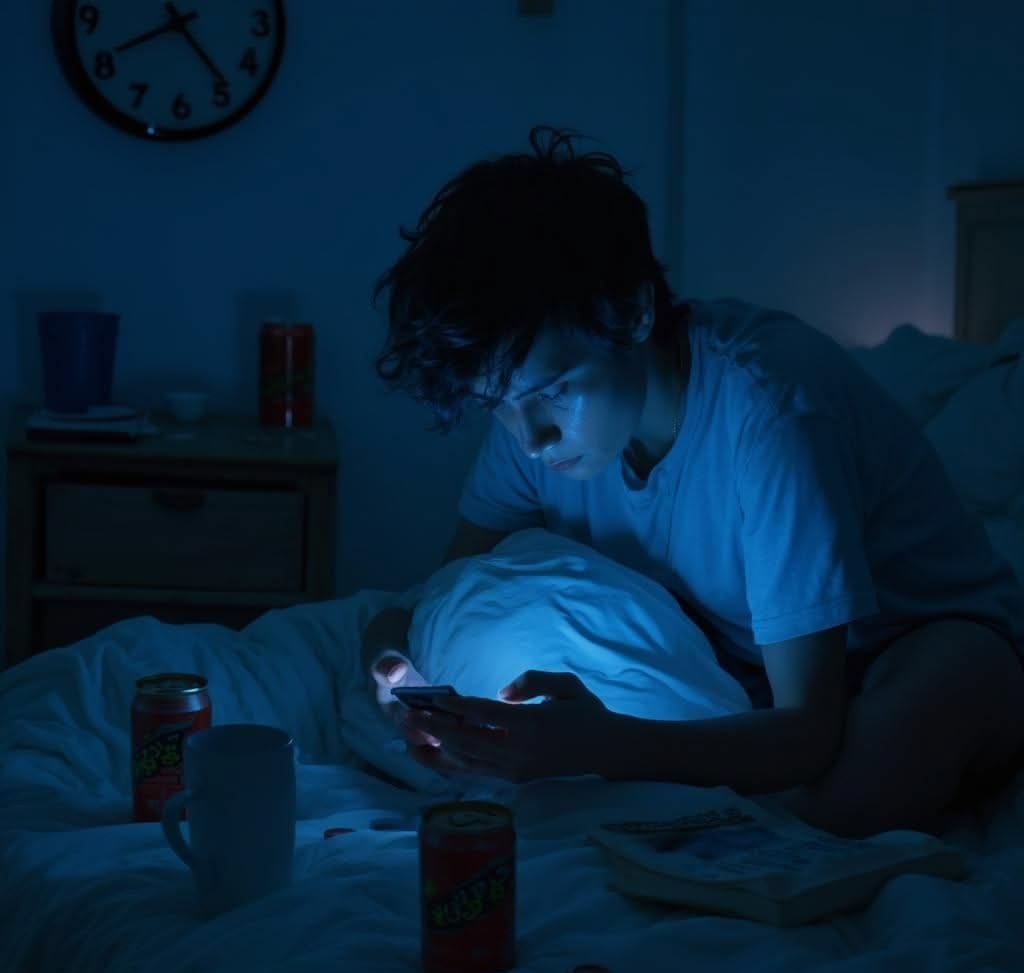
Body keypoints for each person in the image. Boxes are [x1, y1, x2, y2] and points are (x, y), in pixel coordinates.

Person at [361, 126, 1024, 838]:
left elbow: (807, 734)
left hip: (929, 651)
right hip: (758, 678)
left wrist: (600, 745)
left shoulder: (772, 413)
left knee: (864, 772)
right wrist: (395, 669)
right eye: (498, 403)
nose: (531, 436)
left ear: (636, 312)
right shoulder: (528, 424)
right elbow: (438, 593)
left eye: (553, 389)